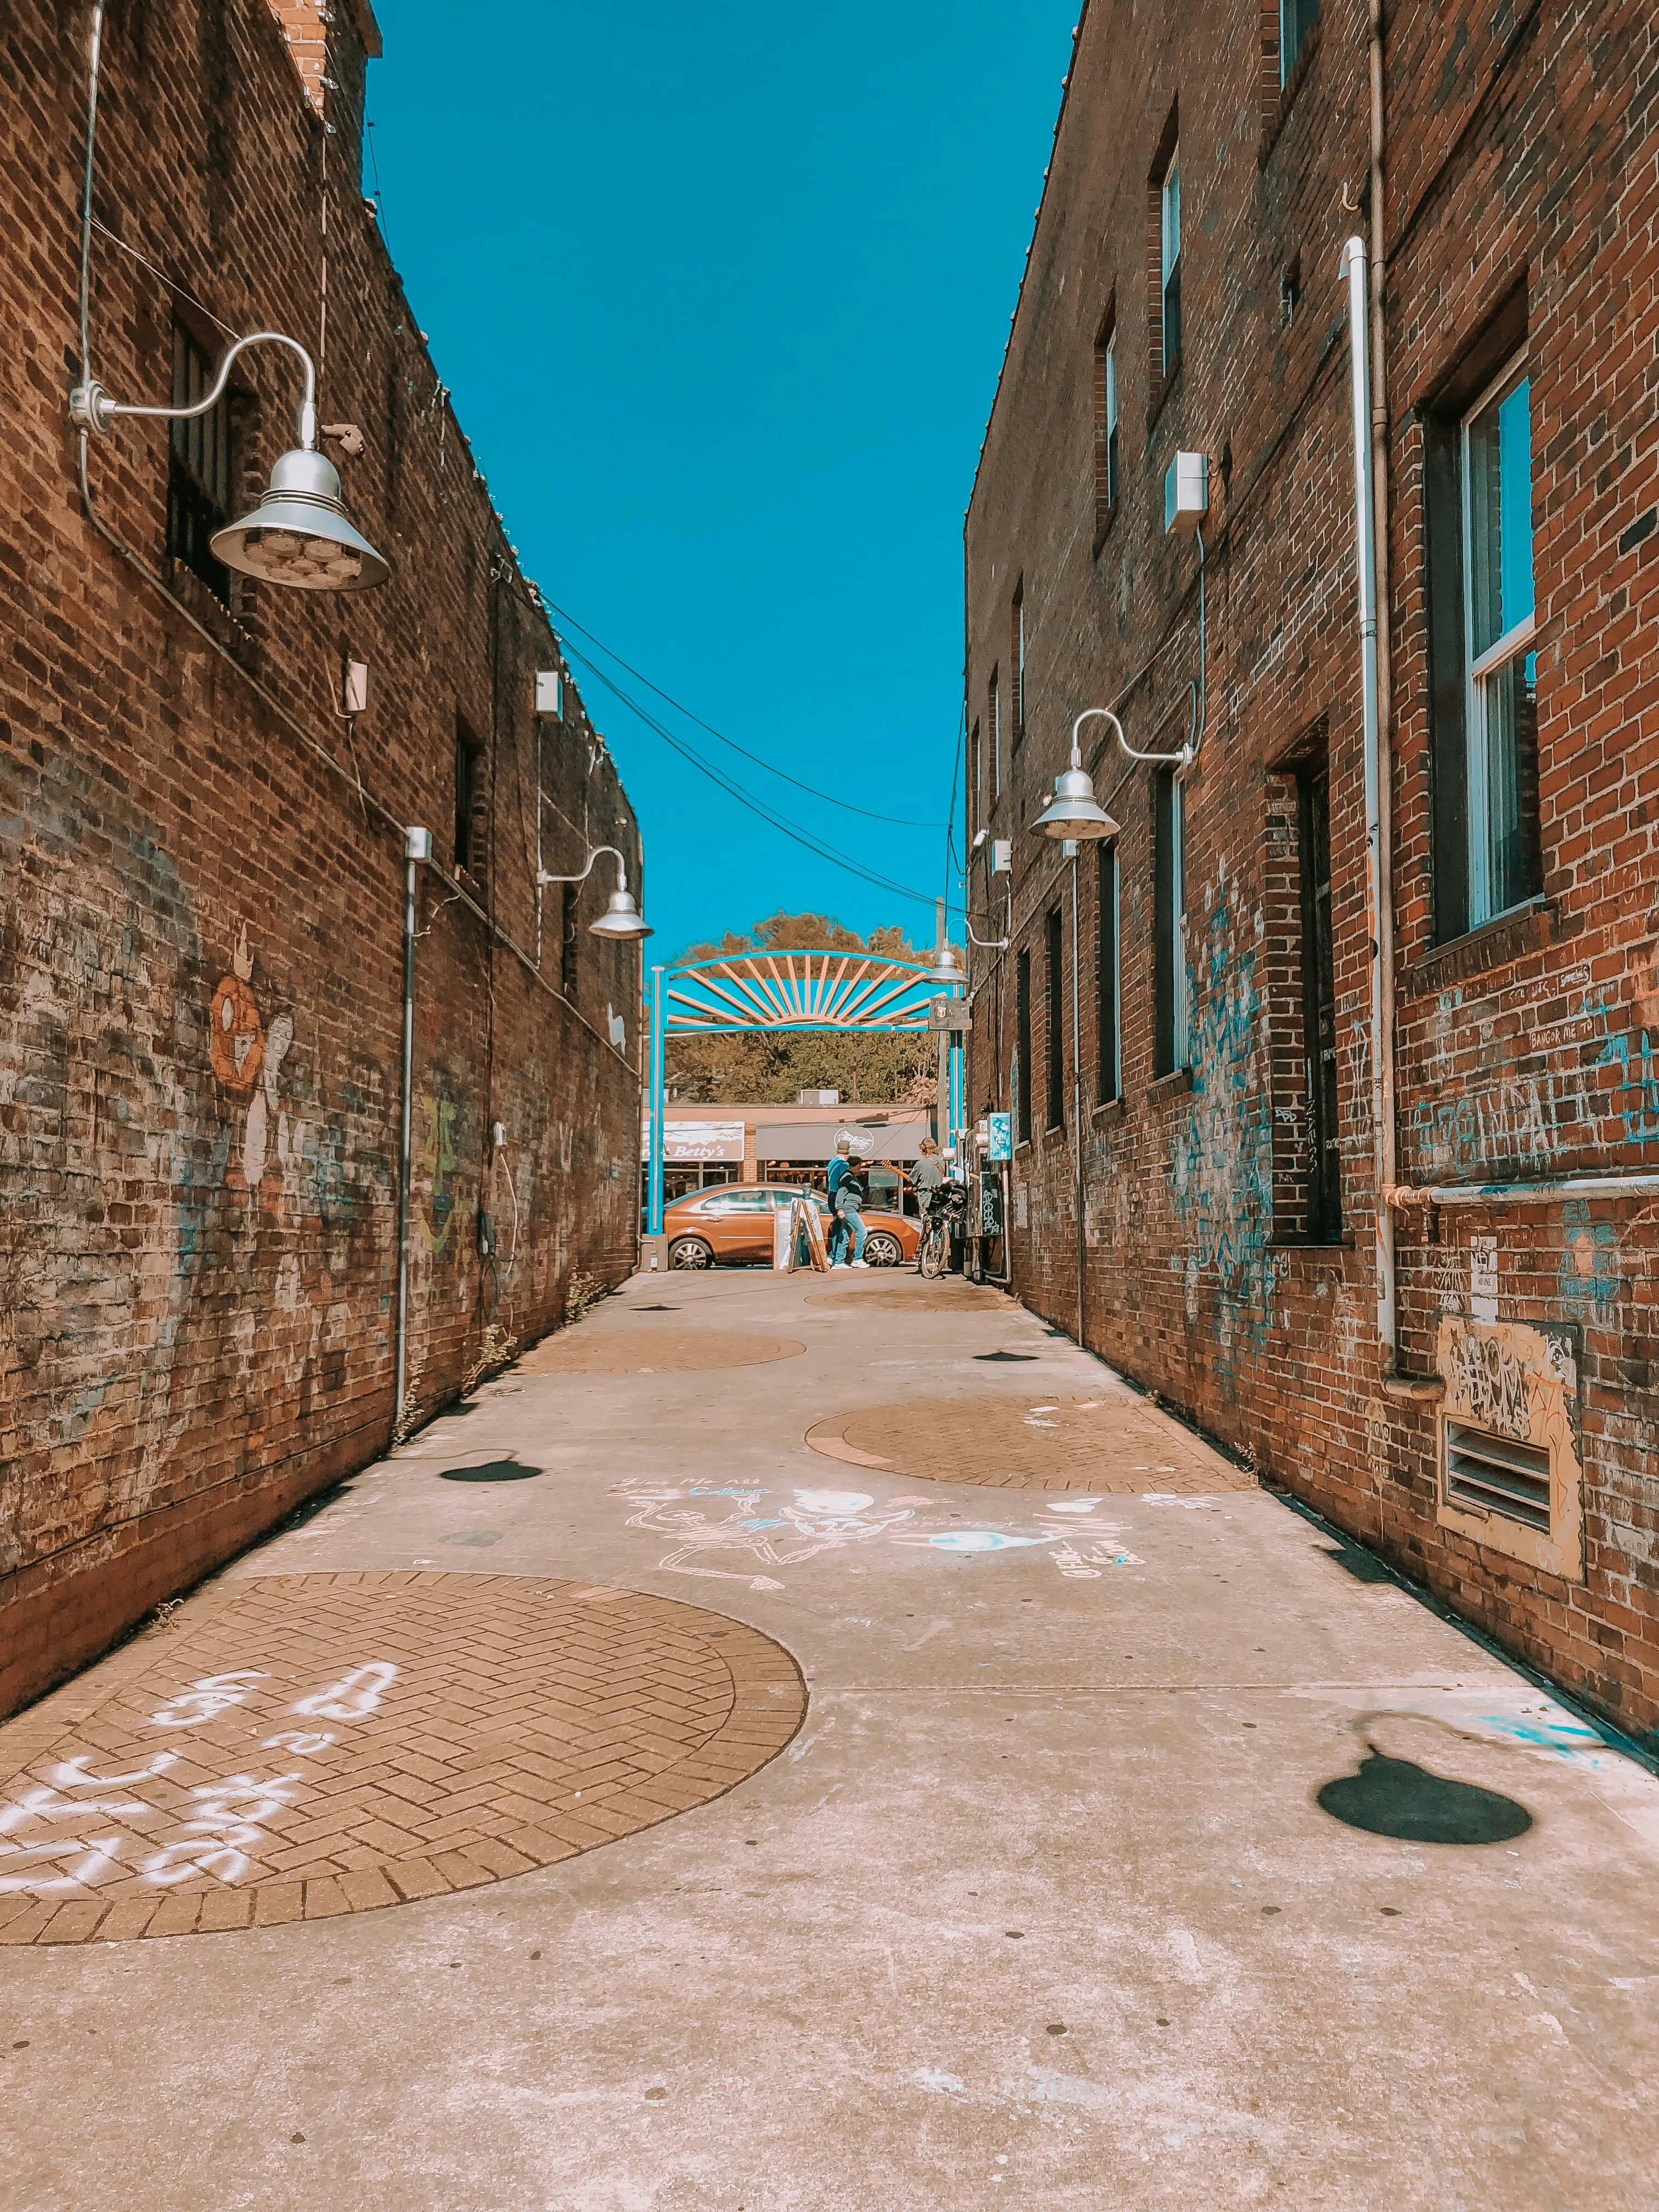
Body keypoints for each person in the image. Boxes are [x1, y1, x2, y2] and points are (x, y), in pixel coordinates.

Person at [826, 1135, 855, 1267]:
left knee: (837, 1227)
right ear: (848, 1151)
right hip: (839, 1197)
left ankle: (832, 1257)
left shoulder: (832, 1162)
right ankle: (839, 1260)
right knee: (844, 1229)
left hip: (831, 1195)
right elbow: (844, 1183)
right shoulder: (844, 1164)